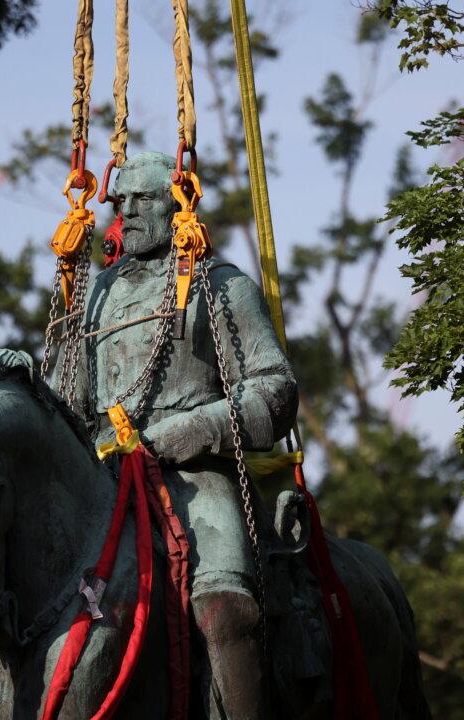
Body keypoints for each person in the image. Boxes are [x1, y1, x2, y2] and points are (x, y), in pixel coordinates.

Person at [60, 151, 297, 718]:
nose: (128, 210)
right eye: (122, 200)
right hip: (106, 484)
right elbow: (64, 400)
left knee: (223, 609)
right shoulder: (96, 295)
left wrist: (197, 427)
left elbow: (276, 392)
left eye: (144, 198)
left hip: (196, 479)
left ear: (179, 204)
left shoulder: (221, 287)